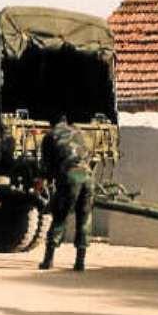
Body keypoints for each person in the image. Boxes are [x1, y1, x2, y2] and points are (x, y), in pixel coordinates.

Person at [38, 116, 96, 272]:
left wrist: (45, 182)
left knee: (60, 216)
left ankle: (48, 260)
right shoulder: (79, 132)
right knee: (84, 219)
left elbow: (46, 166)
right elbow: (88, 156)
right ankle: (80, 262)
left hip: (71, 177)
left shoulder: (50, 136)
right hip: (88, 177)